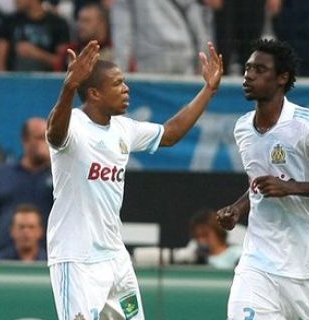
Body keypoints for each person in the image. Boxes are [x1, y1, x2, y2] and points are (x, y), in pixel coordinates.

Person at [46, 40, 222, 319]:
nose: (126, 89)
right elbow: (55, 135)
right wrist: (68, 87)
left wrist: (209, 90)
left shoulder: (123, 129)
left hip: (115, 257)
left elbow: (171, 133)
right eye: (117, 84)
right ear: (94, 93)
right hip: (76, 257)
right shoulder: (74, 126)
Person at [216, 39, 309, 319]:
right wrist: (237, 209)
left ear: (282, 78)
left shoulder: (307, 125)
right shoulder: (242, 128)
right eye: (248, 68)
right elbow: (258, 184)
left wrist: (291, 187)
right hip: (258, 264)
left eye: (260, 70)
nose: (249, 75)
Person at [0, 117, 53, 260]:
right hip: (5, 261)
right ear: (25, 140)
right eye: (40, 138)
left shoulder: (60, 177)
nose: (46, 143)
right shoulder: (1, 176)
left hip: (51, 261)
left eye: (48, 138)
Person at [0, 0, 70, 72]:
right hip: (15, 80)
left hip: (48, 81)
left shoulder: (58, 23)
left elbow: (62, 63)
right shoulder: (8, 22)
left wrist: (35, 53)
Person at [58, 3, 113, 70]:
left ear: (101, 24)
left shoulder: (116, 51)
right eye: (79, 20)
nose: (80, 25)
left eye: (86, 21)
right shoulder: (70, 52)